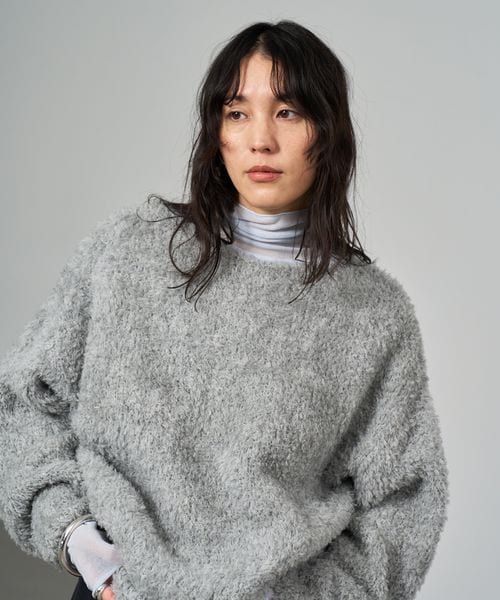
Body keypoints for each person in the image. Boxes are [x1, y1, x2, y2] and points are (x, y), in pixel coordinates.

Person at [0, 19, 449, 600]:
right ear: (217, 132)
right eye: (237, 113)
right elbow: (22, 404)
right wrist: (84, 547)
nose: (261, 139)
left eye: (287, 112)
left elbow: (403, 501)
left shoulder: (374, 314)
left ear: (328, 130)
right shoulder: (126, 253)